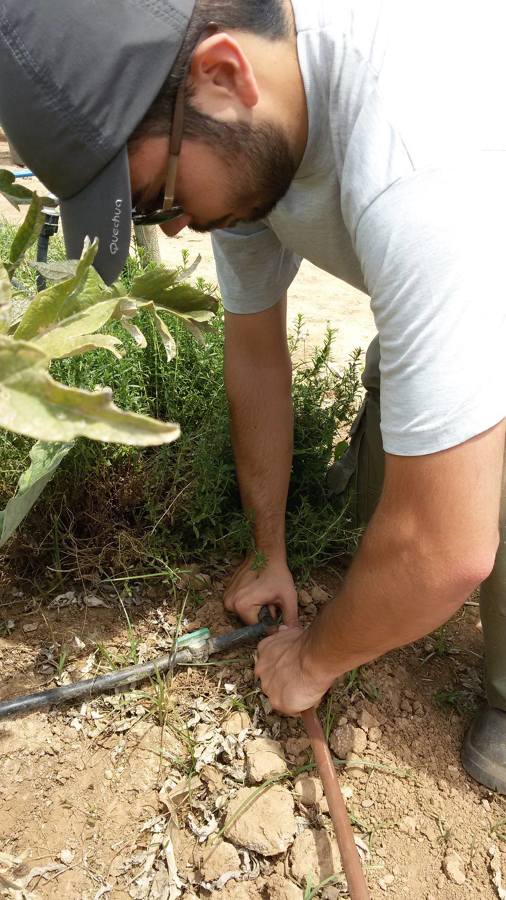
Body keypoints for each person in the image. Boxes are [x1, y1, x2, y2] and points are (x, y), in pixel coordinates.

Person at [1, 0, 504, 792]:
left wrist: (315, 657)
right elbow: (257, 355)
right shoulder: (245, 127)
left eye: (157, 200)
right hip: (468, 264)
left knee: (456, 512)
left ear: (224, 74)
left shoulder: (416, 163)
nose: (169, 231)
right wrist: (268, 550)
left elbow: (447, 548)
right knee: (388, 500)